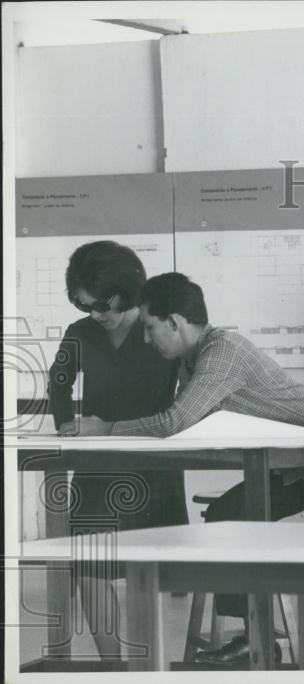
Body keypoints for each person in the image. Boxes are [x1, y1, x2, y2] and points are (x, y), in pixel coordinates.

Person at [74, 272, 304, 669]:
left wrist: (105, 428)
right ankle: (255, 641)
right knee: (228, 514)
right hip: (303, 465)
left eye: (151, 328)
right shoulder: (192, 361)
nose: (147, 339)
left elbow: (176, 421)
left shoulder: (223, 350)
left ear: (175, 321)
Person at [49, 241, 187, 660]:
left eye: (103, 306)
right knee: (90, 567)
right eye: (86, 307)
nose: (96, 316)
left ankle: (155, 666)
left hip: (155, 464)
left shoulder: (159, 327)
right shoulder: (81, 333)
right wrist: (65, 426)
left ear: (127, 291)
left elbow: (196, 383)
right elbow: (58, 382)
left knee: (157, 570)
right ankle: (113, 667)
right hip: (97, 464)